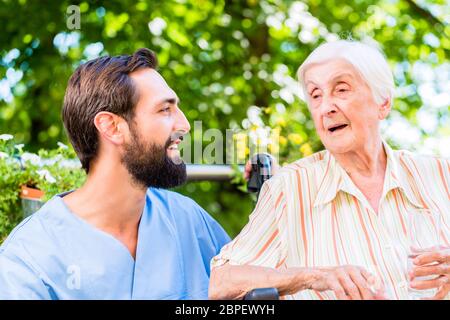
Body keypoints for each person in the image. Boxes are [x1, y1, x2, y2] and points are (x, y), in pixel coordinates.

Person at [209, 40, 450, 300]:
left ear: (383, 103)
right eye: (315, 95)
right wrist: (315, 277)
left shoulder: (440, 174)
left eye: (341, 89)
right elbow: (220, 283)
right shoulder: (289, 189)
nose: (326, 107)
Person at [0, 48, 231, 299]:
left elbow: (252, 279)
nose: (184, 125)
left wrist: (276, 191)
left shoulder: (189, 221)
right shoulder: (29, 260)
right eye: (165, 110)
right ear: (112, 127)